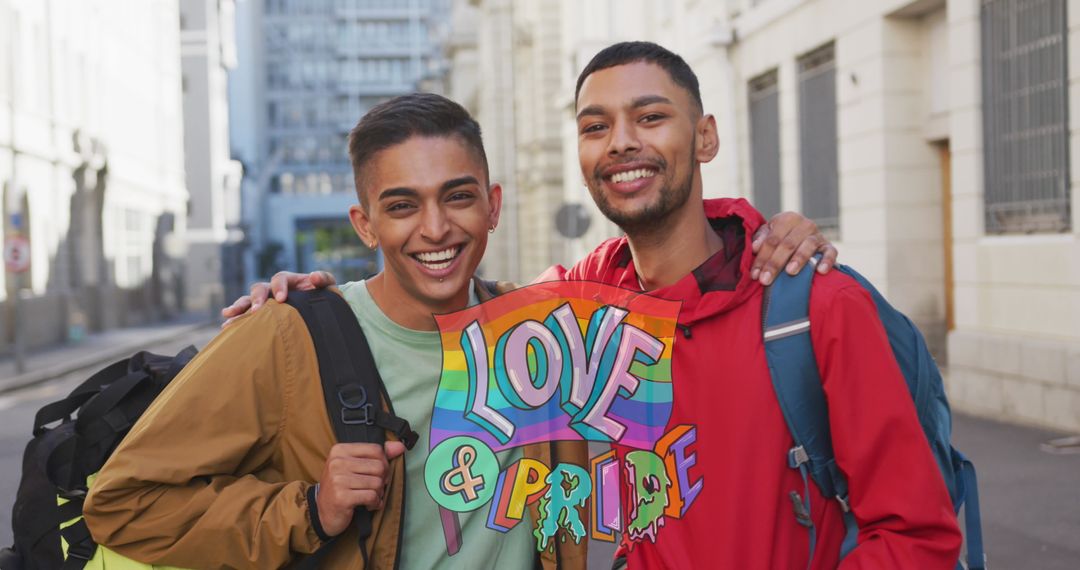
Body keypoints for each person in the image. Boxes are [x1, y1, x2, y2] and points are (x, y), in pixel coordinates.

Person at [246, 42, 963, 568]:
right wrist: (307, 300)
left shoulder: (814, 306)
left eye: (650, 117)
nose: (621, 142)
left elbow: (917, 536)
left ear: (704, 136)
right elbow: (421, 302)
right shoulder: (576, 305)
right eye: (595, 127)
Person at [83, 94, 590, 569]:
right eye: (402, 206)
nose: (435, 228)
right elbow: (121, 503)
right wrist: (311, 509)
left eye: (457, 197)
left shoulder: (547, 331)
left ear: (492, 206)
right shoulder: (285, 336)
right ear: (365, 225)